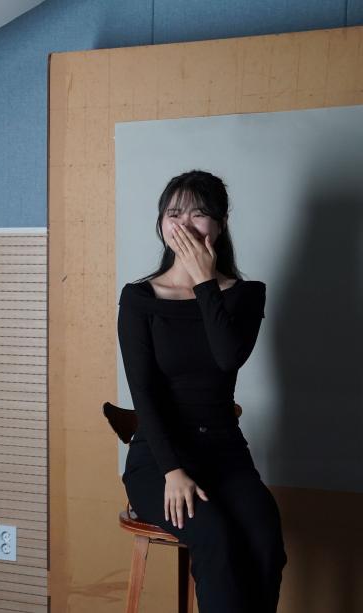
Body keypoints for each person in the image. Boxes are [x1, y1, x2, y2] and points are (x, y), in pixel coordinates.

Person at [117, 170, 286, 613]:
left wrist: (204, 282)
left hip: (225, 454)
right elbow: (145, 393)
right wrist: (173, 470)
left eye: (198, 214)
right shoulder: (138, 298)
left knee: (265, 540)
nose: (185, 224)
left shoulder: (245, 294)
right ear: (161, 224)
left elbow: (228, 358)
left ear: (221, 224)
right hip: (159, 459)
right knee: (215, 539)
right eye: (174, 214)